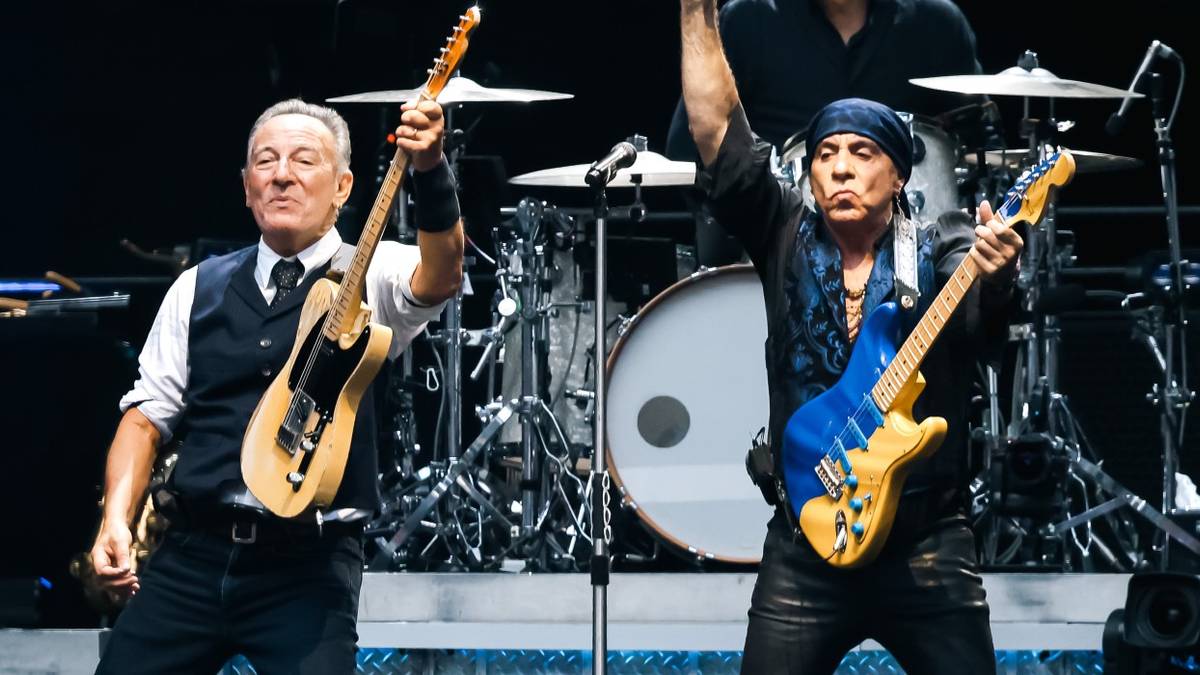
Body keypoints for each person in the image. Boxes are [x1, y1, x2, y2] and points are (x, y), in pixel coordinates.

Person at [679, 0, 1023, 673]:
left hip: (927, 546)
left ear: (899, 176)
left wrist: (999, 275)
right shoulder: (781, 232)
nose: (838, 168)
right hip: (807, 536)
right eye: (825, 154)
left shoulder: (942, 243)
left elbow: (982, 322)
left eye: (862, 154)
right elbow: (716, 125)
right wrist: (696, 11)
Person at [88, 97, 464, 674]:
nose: (281, 174)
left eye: (303, 161)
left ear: (342, 187)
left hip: (306, 568)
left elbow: (441, 276)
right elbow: (144, 419)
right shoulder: (197, 287)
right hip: (193, 553)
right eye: (266, 161)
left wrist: (431, 170)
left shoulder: (374, 273)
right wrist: (117, 518)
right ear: (246, 188)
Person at [667, 0, 984, 268]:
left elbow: (982, 150)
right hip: (782, 260)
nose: (843, 169)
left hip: (918, 264)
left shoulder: (938, 25)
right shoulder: (748, 21)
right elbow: (694, 150)